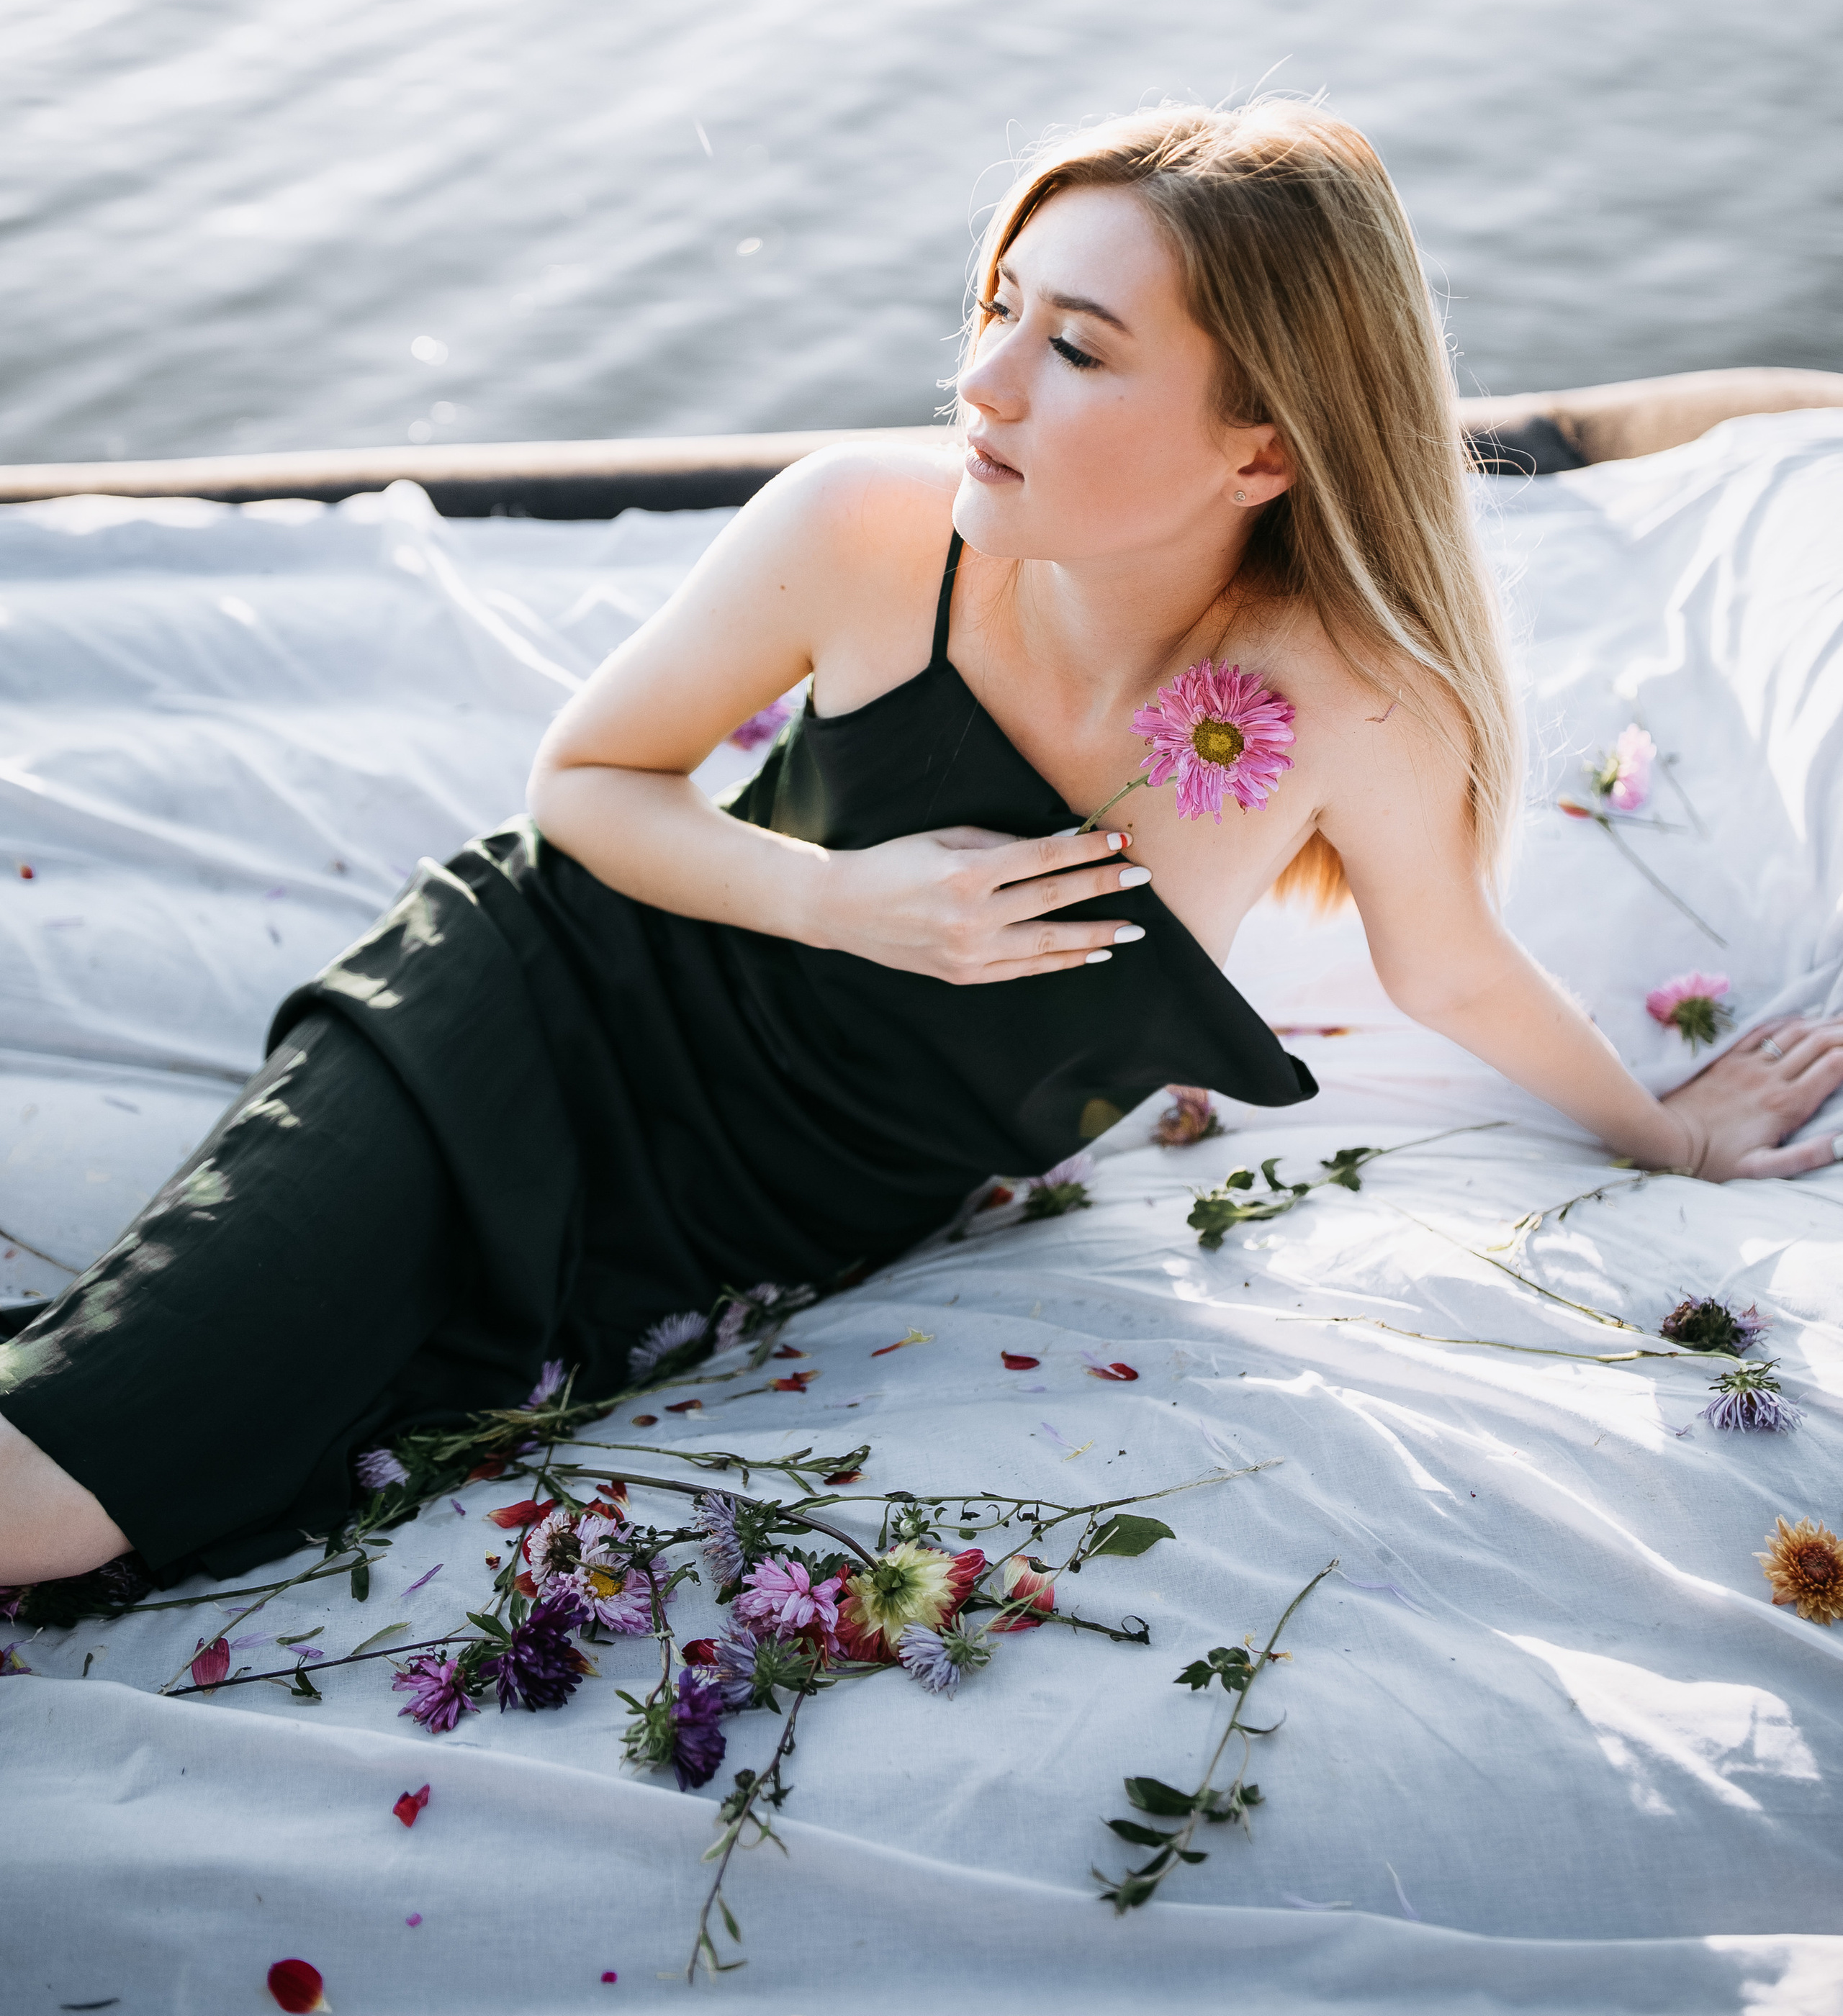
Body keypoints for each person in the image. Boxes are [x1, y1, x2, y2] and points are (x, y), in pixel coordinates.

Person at [4, 102, 1838, 1593]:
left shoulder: (1347, 698)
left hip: (731, 1224)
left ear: (1260, 453)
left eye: (1075, 345)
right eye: (998, 304)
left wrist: (1668, 1135)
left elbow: (1442, 965)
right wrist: (835, 896)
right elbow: (584, 784)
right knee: (60, 1499)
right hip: (513, 1029)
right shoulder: (869, 529)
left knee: (235, 1486)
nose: (985, 377)